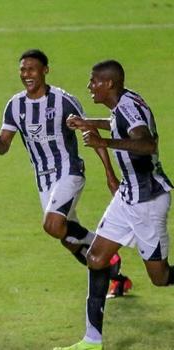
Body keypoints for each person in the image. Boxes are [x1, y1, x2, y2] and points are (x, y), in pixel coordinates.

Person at [0, 49, 131, 296]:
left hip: (69, 171)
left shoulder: (63, 101)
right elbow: (3, 146)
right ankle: (116, 276)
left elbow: (91, 133)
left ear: (45, 71)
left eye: (32, 69)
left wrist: (109, 174)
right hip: (44, 180)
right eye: (23, 70)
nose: (27, 74)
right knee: (66, 238)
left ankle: (103, 248)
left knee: (52, 224)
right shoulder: (15, 106)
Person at [54, 60, 173, 350]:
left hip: (147, 201)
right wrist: (87, 123)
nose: (89, 86)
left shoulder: (129, 108)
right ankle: (92, 340)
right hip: (127, 196)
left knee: (160, 277)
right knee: (96, 258)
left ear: (109, 84)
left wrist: (104, 143)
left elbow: (148, 144)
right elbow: (117, 123)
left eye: (93, 81)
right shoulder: (123, 104)